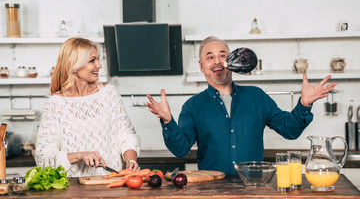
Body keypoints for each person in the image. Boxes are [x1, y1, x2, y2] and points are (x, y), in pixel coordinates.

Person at [146, 36, 336, 175]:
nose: (217, 61)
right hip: (212, 191)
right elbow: (180, 149)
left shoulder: (257, 96)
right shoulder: (192, 107)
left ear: (232, 61)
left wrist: (304, 104)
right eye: (210, 57)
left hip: (253, 188)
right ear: (201, 66)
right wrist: (167, 120)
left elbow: (290, 130)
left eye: (222, 55)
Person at [35, 37, 141, 177]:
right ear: (74, 66)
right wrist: (79, 155)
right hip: (71, 189)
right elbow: (44, 158)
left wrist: (131, 160)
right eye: (92, 60)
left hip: (111, 183)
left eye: (98, 59)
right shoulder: (56, 104)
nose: (99, 65)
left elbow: (126, 136)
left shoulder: (109, 94)